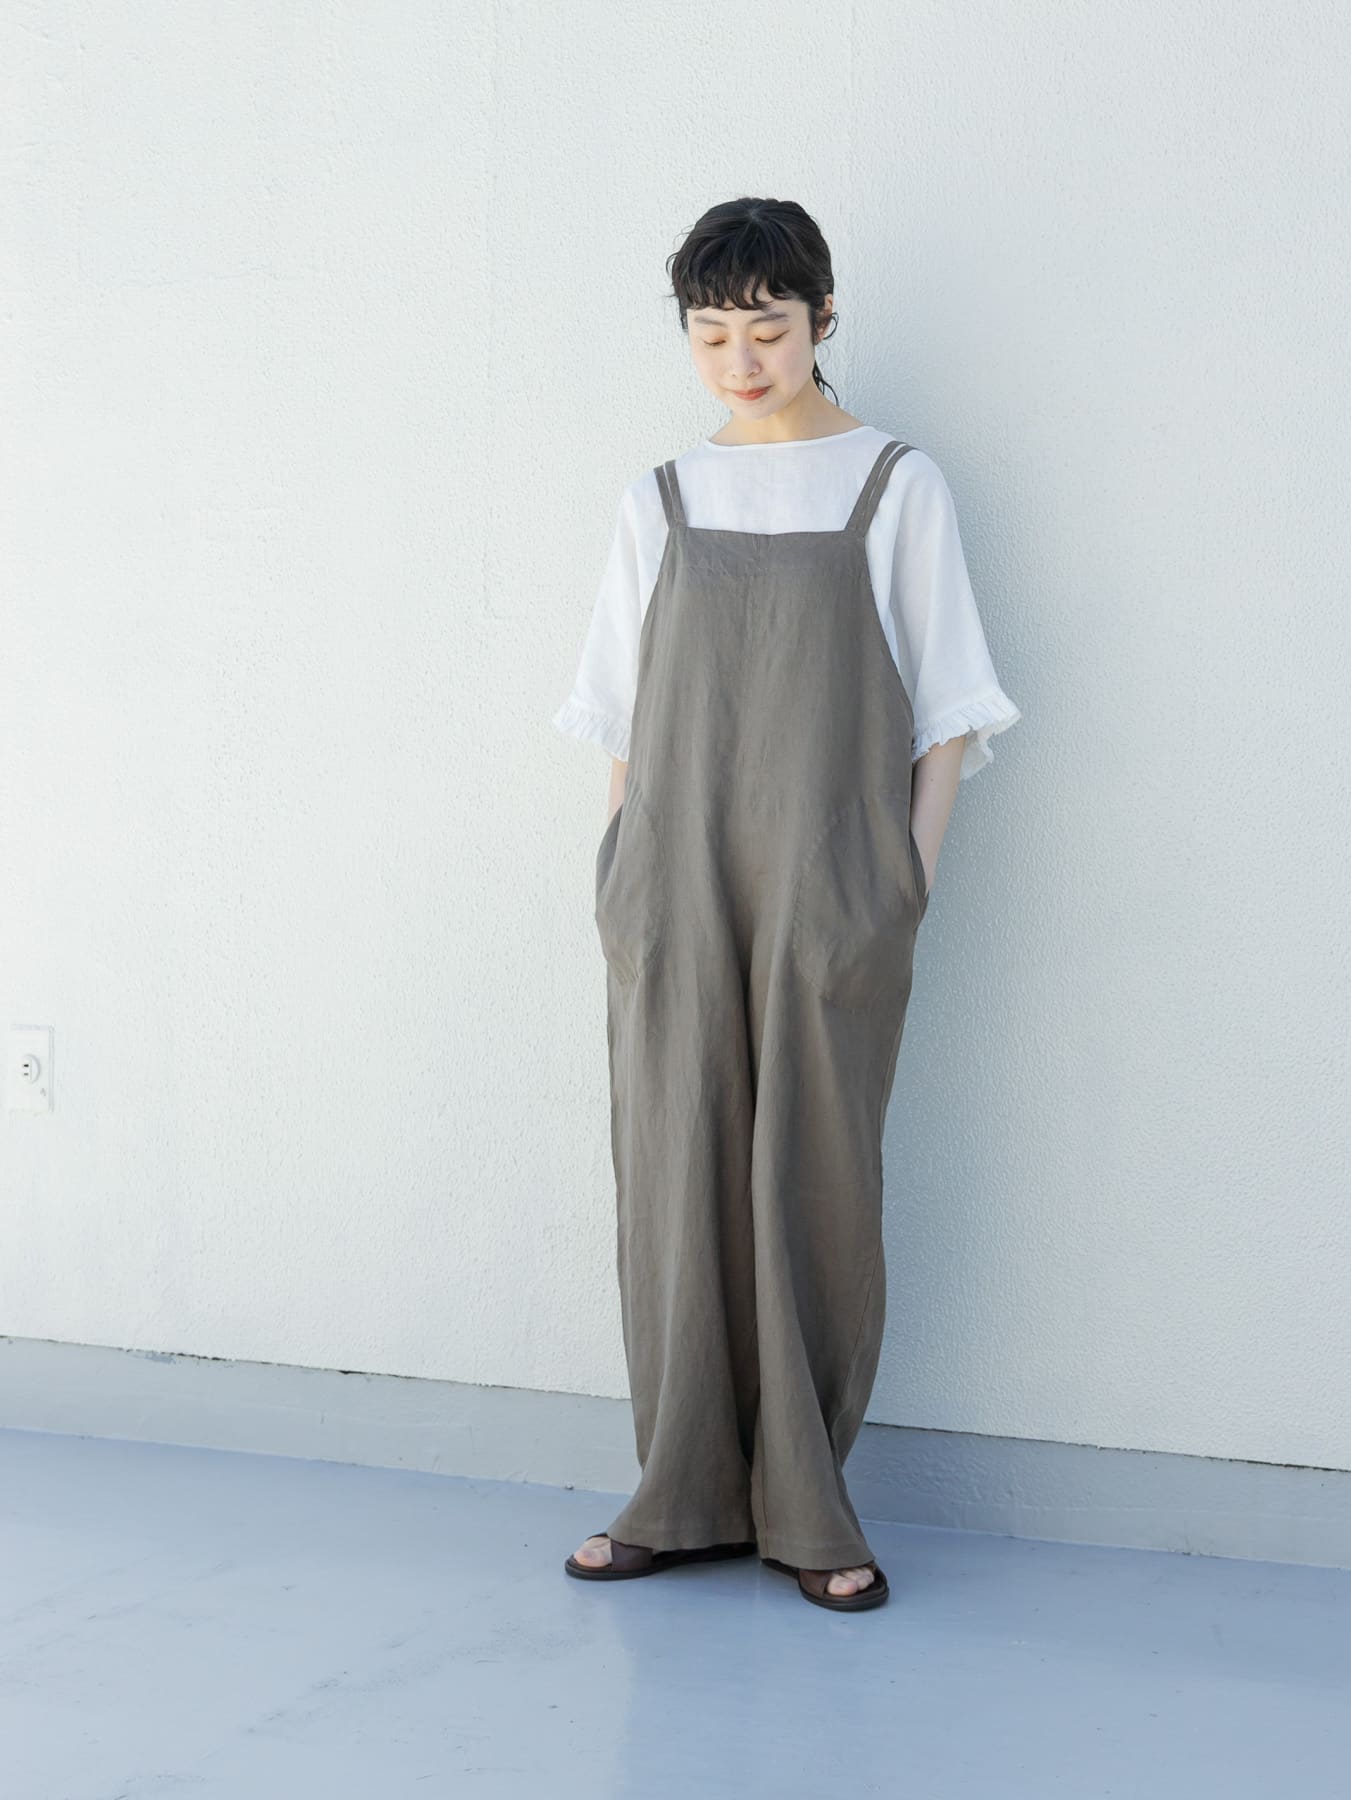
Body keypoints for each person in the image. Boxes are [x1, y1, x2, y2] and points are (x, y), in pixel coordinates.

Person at [552, 197, 1020, 1611]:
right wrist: (625, 874)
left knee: (814, 1180)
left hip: (835, 883)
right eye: (712, 334)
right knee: (674, 1174)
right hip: (673, 882)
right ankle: (678, 1490)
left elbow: (951, 714)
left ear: (822, 318)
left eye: (766, 327)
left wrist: (900, 886)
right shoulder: (661, 499)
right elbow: (619, 716)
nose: (741, 360)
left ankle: (810, 1509)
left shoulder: (895, 485)